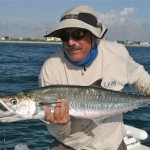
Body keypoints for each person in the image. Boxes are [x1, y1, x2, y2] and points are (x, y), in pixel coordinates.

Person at [39, 5, 150, 150]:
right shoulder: (51, 68)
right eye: (65, 36)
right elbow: (59, 131)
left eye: (78, 34)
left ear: (94, 35)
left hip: (112, 143)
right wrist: (60, 123)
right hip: (71, 144)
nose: (71, 42)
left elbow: (141, 79)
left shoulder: (117, 53)